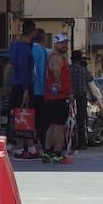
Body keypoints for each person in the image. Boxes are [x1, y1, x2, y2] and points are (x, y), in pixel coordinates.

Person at [43, 34, 74, 164]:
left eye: (66, 43)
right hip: (59, 96)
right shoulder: (56, 58)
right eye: (62, 43)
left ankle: (47, 152)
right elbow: (56, 71)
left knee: (52, 125)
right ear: (56, 44)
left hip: (52, 96)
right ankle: (57, 153)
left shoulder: (56, 57)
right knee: (59, 126)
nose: (65, 45)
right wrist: (60, 85)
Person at [6, 19, 36, 149]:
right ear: (33, 32)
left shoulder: (14, 45)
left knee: (13, 114)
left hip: (14, 85)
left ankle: (11, 141)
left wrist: (6, 84)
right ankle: (25, 146)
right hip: (23, 86)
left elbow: (9, 66)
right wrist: (26, 89)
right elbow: (23, 68)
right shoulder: (25, 48)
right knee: (24, 114)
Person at [31, 28, 49, 155]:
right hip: (40, 91)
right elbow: (42, 72)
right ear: (43, 39)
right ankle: (43, 146)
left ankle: (29, 145)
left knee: (29, 120)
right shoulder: (42, 51)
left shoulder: (29, 49)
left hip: (28, 89)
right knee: (41, 121)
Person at [69, 50, 92, 151]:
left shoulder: (68, 68)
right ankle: (82, 143)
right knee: (81, 120)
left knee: (70, 120)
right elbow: (90, 79)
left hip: (70, 96)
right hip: (81, 96)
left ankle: (71, 142)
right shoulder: (83, 70)